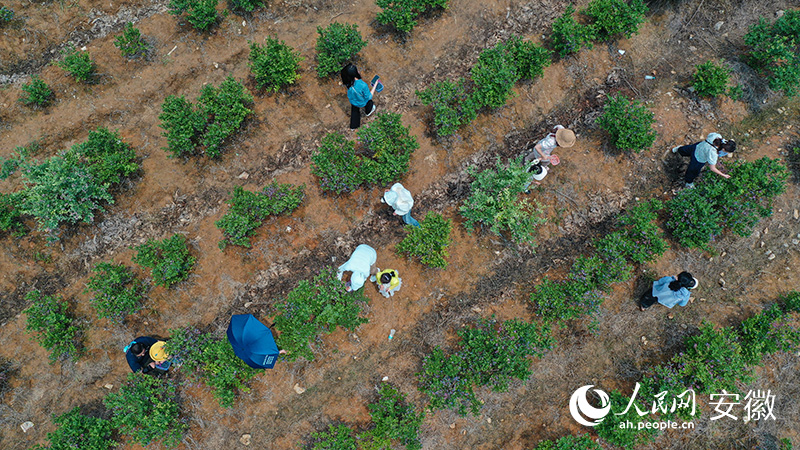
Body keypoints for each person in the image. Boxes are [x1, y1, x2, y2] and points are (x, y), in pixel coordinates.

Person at [341, 63, 378, 129]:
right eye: (356, 71)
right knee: (369, 102)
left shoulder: (347, 82)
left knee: (354, 112)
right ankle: (368, 111)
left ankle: (354, 127)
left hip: (353, 101)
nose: (358, 71)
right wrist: (375, 85)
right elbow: (369, 97)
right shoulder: (363, 85)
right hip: (362, 102)